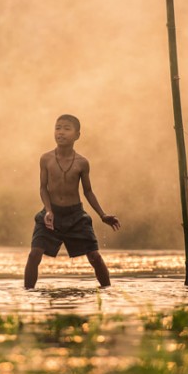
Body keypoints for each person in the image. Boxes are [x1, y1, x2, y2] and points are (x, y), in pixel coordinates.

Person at [24, 114, 121, 289]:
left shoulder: (82, 163)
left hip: (75, 215)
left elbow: (88, 192)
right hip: (51, 214)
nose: (60, 132)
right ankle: (27, 293)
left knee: (95, 257)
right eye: (58, 128)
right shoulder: (46, 159)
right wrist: (48, 210)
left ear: (77, 135)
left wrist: (102, 215)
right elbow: (43, 188)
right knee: (34, 254)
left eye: (66, 129)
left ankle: (108, 292)